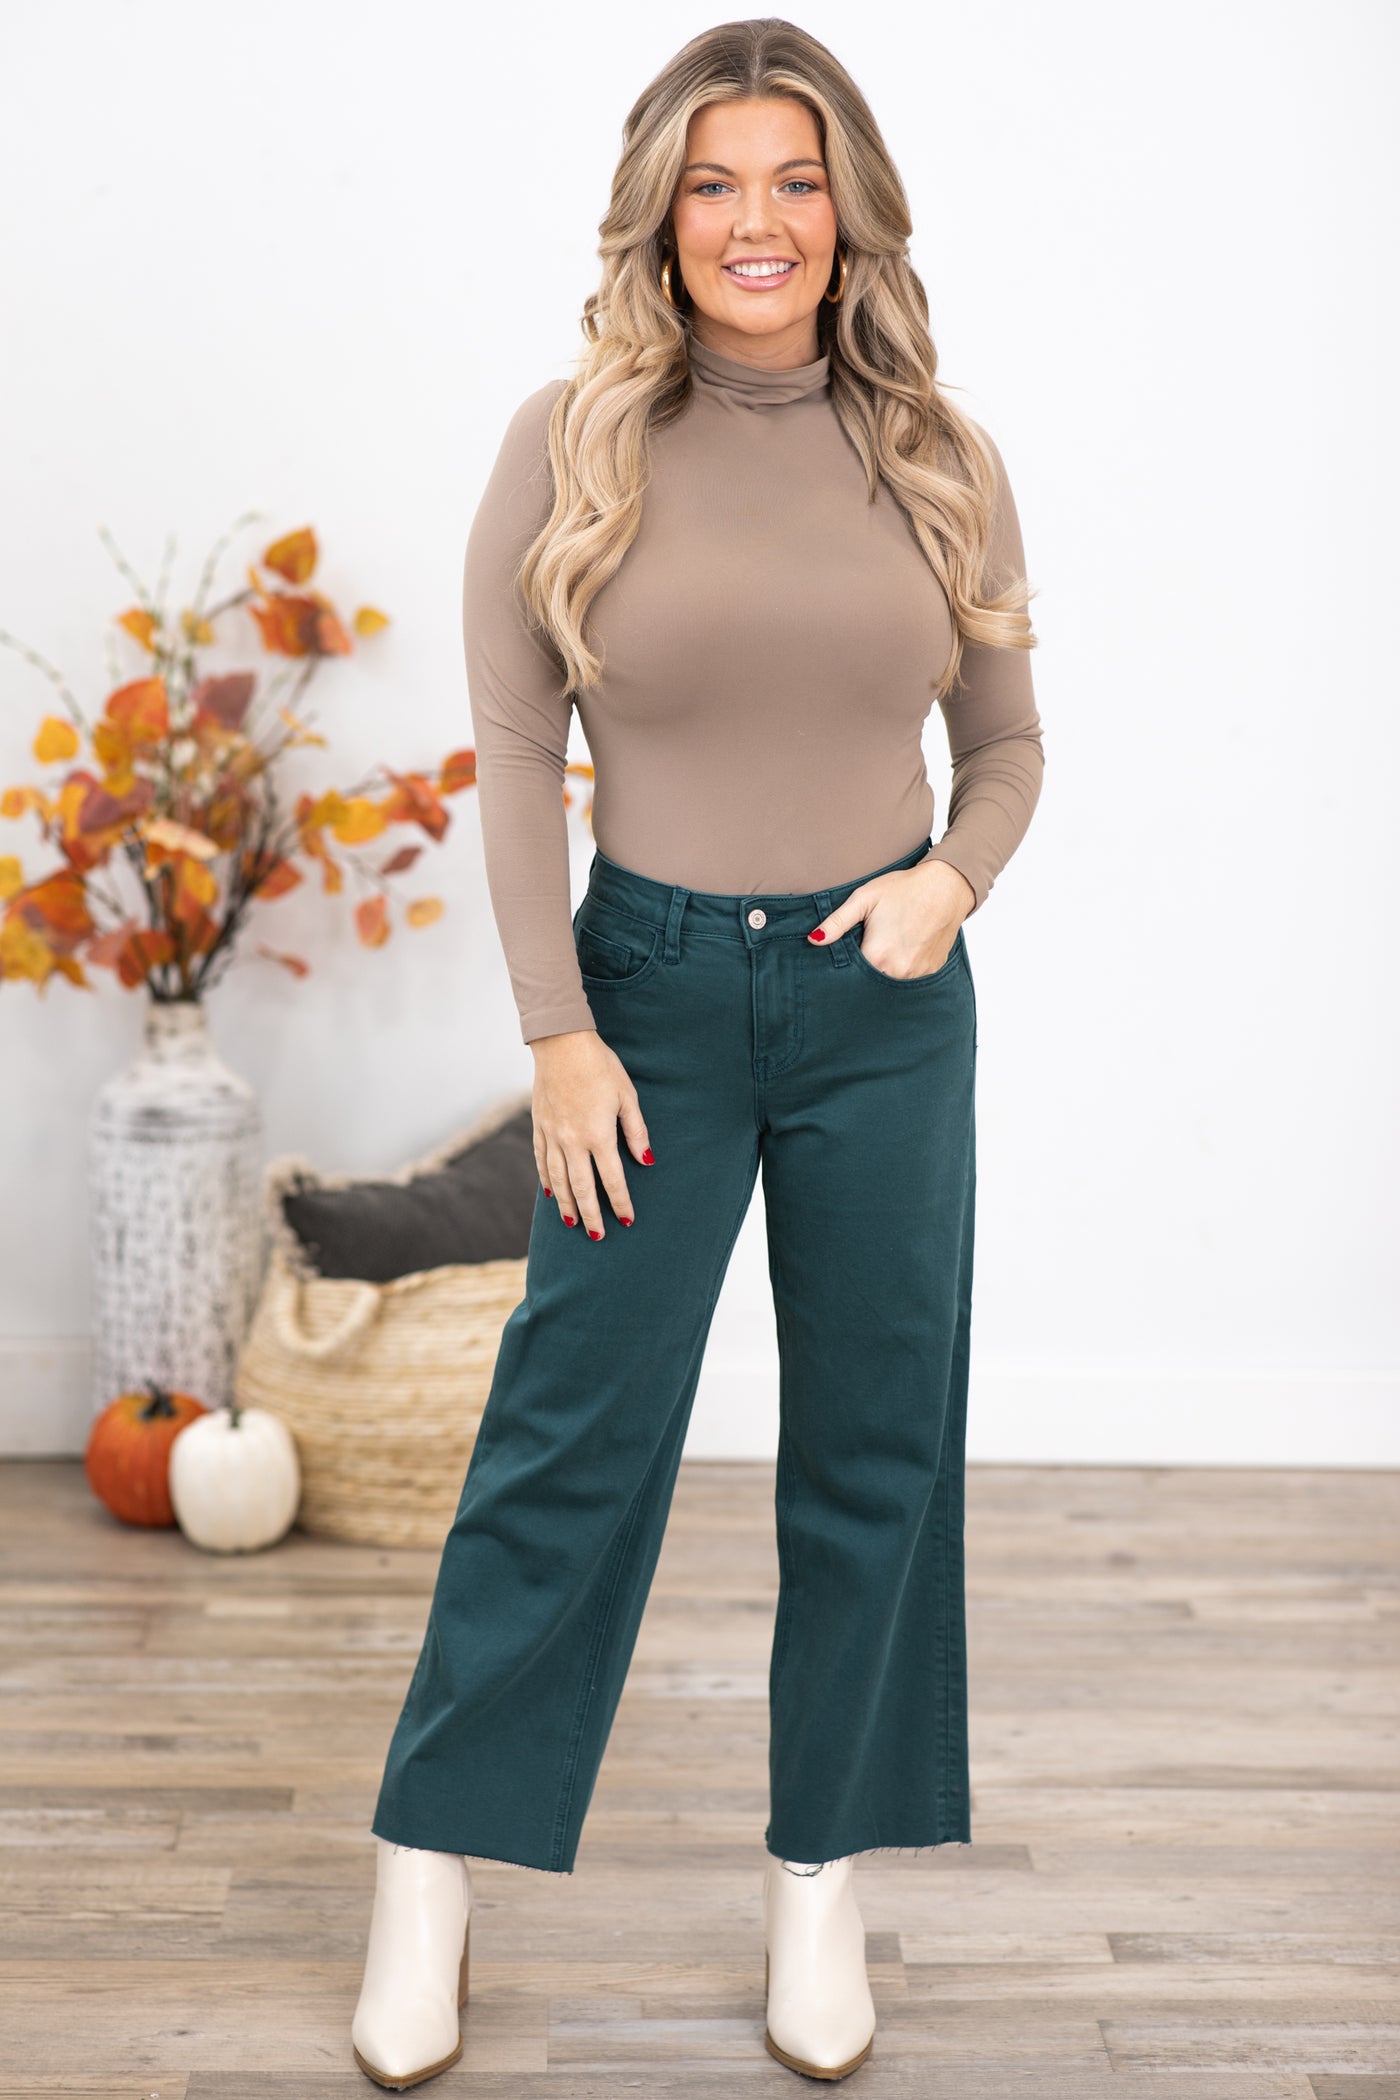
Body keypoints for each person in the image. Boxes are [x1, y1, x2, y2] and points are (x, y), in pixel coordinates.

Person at [352, 17, 1043, 2089]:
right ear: (662, 216)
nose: (758, 221)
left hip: (882, 1008)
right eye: (718, 182)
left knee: (876, 1450)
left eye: (796, 181)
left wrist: (948, 888)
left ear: (849, 213)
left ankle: (819, 1878)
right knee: (566, 1446)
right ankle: (426, 1866)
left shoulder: (940, 451)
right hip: (641, 999)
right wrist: (556, 1036)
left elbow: (1006, 747)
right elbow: (510, 754)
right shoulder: (568, 440)